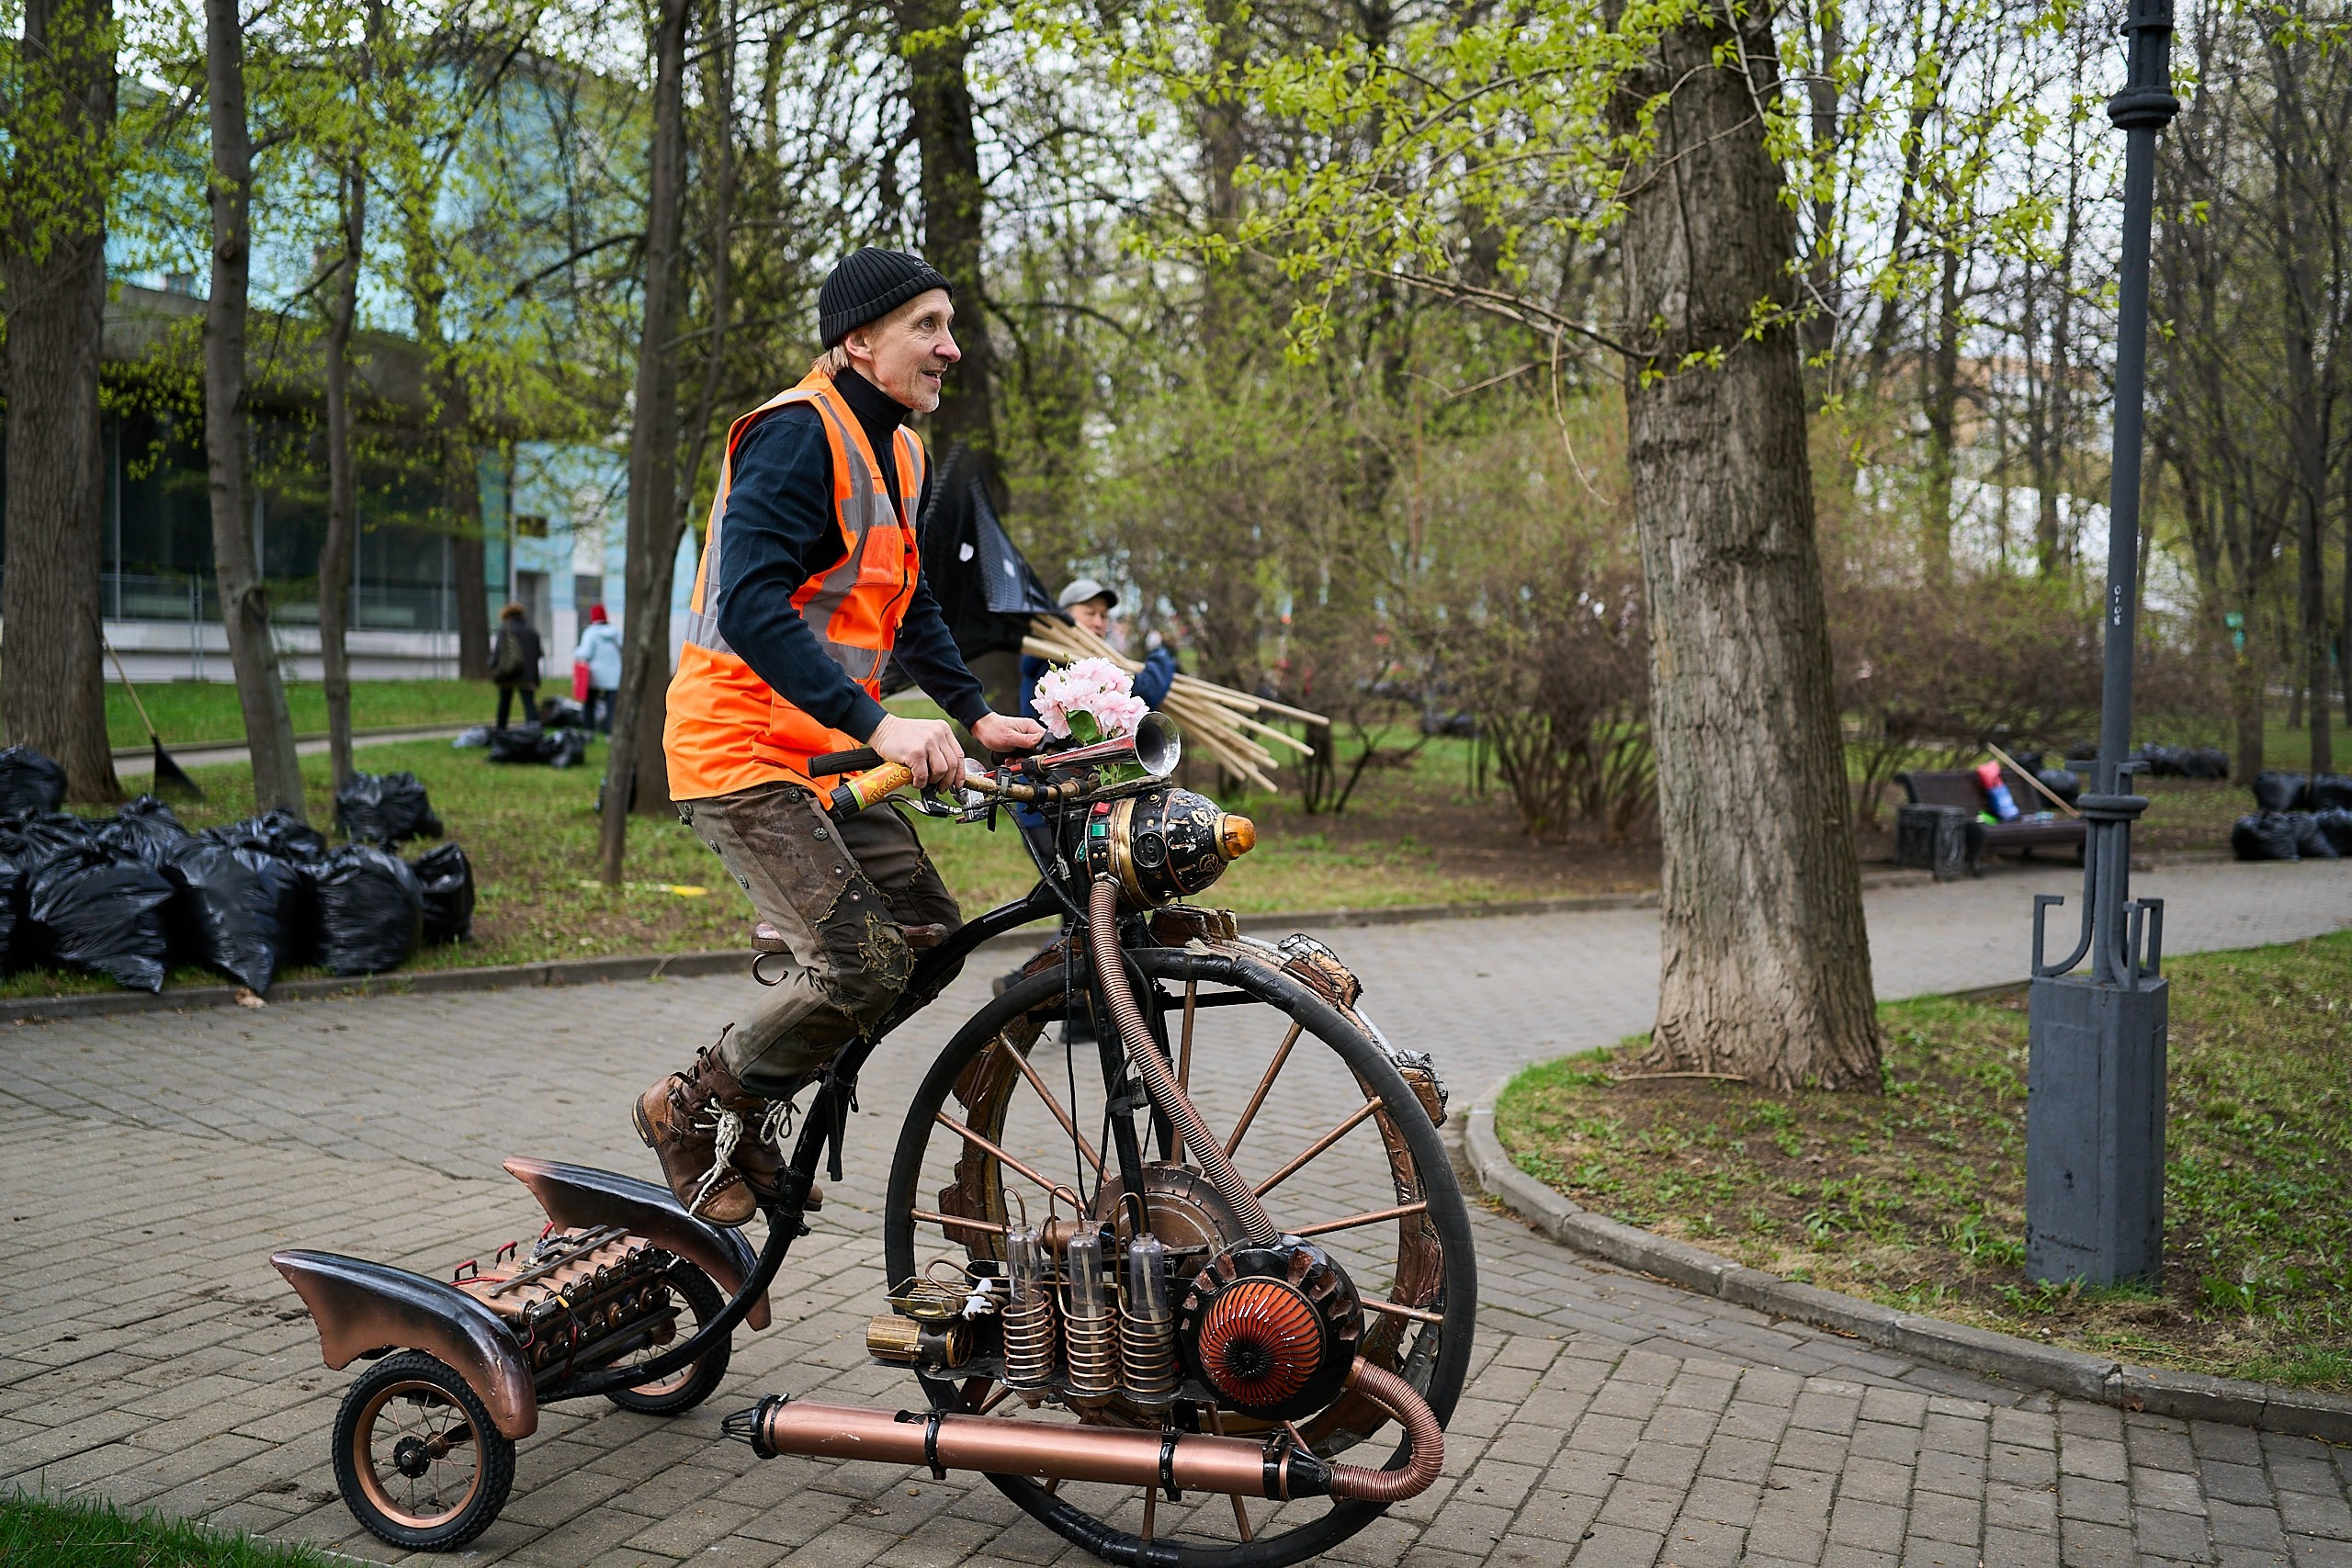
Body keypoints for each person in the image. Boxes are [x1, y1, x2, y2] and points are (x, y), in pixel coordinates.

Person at [636, 247, 1046, 1225]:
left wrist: (973, 716)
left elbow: (906, 611)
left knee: (930, 942)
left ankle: (757, 1101)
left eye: (950, 326)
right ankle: (687, 1109)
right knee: (864, 964)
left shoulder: (902, 450)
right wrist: (881, 726)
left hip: (822, 760)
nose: (952, 348)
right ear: (858, 341)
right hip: (737, 755)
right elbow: (750, 610)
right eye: (928, 328)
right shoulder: (793, 436)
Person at [1001, 577, 1179, 1031]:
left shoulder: (1090, 660)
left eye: (1103, 615)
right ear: (1063, 618)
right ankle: (1058, 1002)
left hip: (1080, 805)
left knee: (1080, 904)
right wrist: (1161, 664)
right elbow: (1143, 695)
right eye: (1088, 613)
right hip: (1048, 807)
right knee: (1080, 907)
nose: (1098, 623)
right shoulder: (1053, 661)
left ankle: (1036, 993)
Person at [491, 603, 541, 728]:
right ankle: (534, 731)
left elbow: (498, 652)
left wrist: (493, 665)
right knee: (529, 704)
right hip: (528, 676)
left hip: (509, 674)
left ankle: (501, 731)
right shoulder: (532, 631)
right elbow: (539, 653)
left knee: (504, 704)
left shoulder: (505, 630)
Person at [572, 604, 622, 734]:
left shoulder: (590, 633)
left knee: (590, 704)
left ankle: (589, 730)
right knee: (611, 706)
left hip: (594, 676)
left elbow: (585, 653)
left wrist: (576, 651)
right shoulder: (615, 632)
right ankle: (610, 733)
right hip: (614, 676)